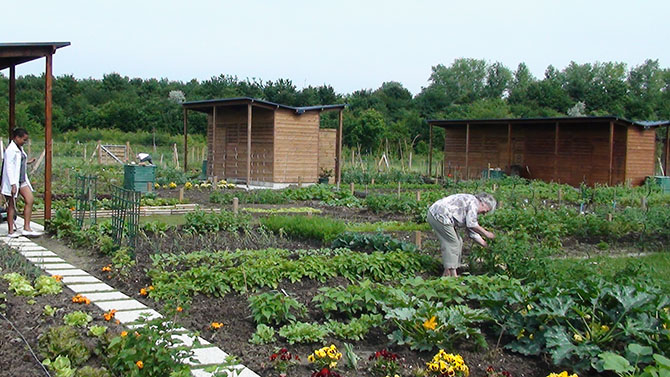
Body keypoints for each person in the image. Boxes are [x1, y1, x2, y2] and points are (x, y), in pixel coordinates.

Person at [426, 192, 496, 277]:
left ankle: (447, 273)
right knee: (453, 243)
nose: (484, 213)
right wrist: (487, 234)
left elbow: (472, 231)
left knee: (459, 241)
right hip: (439, 215)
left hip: (440, 216)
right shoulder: (474, 202)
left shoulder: (472, 204)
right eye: (486, 210)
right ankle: (453, 277)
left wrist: (486, 245)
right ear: (483, 203)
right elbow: (472, 224)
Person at [1, 128, 42, 237]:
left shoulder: (19, 148)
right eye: (24, 139)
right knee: (11, 205)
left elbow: (18, 161)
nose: (25, 142)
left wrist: (28, 162)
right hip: (14, 181)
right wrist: (13, 184)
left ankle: (27, 227)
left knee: (30, 200)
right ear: (17, 138)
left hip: (22, 180)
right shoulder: (10, 150)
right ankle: (10, 231)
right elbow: (8, 167)